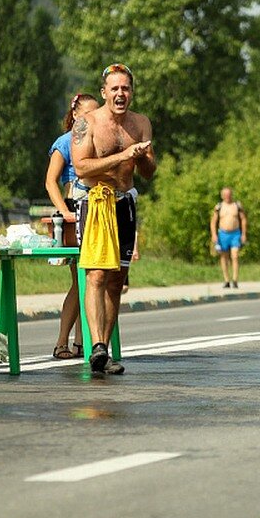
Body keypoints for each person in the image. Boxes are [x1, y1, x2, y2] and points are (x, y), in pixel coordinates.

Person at [71, 63, 156, 375]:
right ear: (104, 91)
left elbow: (148, 173)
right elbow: (81, 168)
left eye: (126, 88)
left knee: (117, 280)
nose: (121, 94)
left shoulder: (141, 123)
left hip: (125, 204)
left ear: (131, 92)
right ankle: (94, 344)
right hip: (95, 203)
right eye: (115, 88)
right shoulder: (87, 123)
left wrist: (144, 157)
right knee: (96, 275)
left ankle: (103, 350)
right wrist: (123, 155)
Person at [45, 93, 99, 359]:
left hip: (96, 211)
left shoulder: (99, 140)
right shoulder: (65, 142)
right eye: (87, 115)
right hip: (73, 213)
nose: (92, 120)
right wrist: (65, 212)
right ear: (76, 115)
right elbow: (50, 181)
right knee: (82, 281)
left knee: (92, 280)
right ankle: (62, 342)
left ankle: (81, 342)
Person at [210, 187, 247, 288]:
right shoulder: (219, 207)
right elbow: (213, 222)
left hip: (235, 234)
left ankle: (235, 280)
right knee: (224, 257)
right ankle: (226, 280)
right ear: (222, 196)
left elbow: (243, 220)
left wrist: (244, 234)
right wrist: (214, 235)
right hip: (223, 234)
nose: (227, 196)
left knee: (235, 256)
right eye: (225, 195)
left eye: (229, 194)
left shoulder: (237, 206)